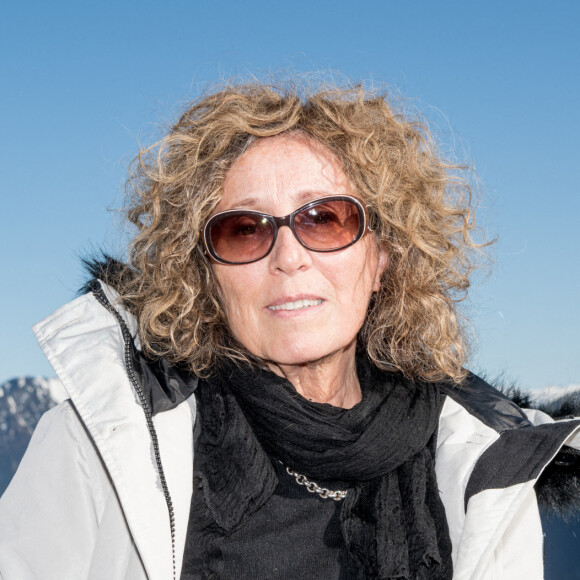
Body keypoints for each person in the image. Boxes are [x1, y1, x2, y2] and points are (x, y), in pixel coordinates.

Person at [1, 81, 579, 580]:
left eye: (324, 219)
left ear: (384, 256)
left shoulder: (483, 466)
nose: (288, 256)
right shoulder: (98, 445)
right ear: (207, 275)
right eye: (244, 230)